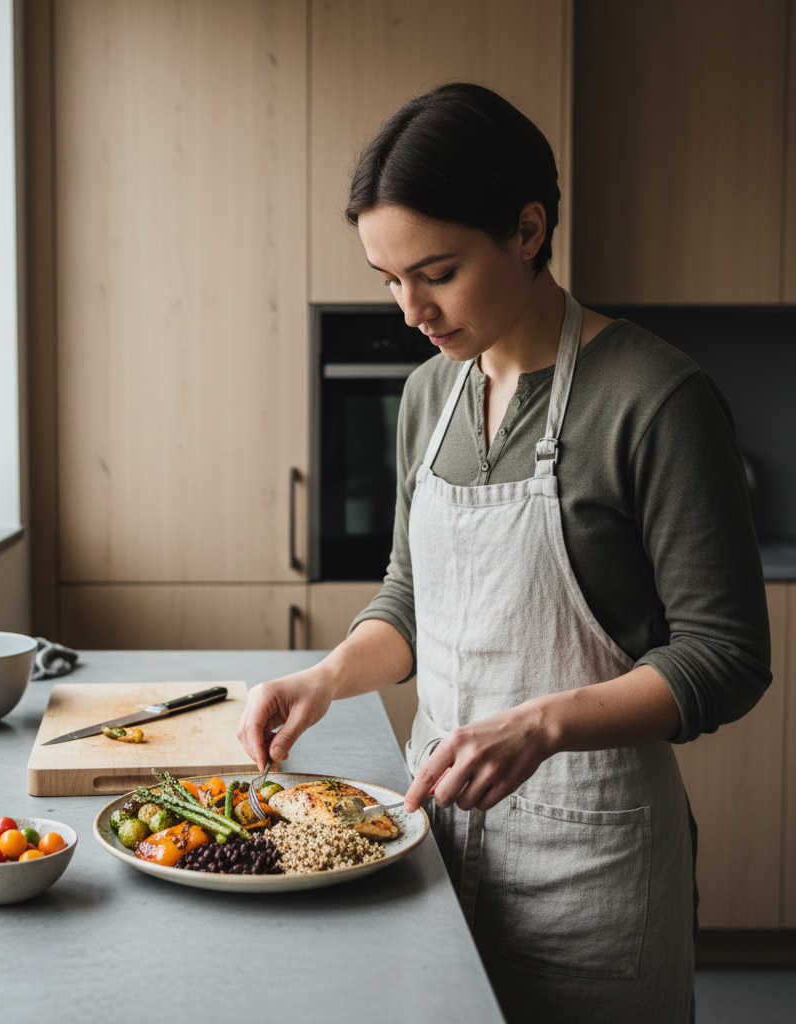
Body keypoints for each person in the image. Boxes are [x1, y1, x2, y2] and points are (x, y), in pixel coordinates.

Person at [237, 83, 771, 1023]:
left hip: (592, 868)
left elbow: (725, 657)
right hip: (430, 841)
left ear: (528, 231)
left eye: (436, 272)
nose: (411, 310)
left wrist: (544, 725)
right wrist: (326, 677)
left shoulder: (657, 399)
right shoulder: (425, 399)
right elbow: (410, 599)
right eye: (389, 278)